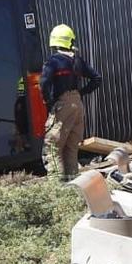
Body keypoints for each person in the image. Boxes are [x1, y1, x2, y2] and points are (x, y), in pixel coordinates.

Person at [40, 23, 102, 178]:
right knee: (71, 148)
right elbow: (97, 78)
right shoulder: (77, 60)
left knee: (53, 149)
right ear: (70, 41)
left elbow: (44, 83)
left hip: (62, 105)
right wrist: (80, 93)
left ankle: (57, 187)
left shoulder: (53, 61)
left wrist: (49, 101)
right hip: (77, 106)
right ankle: (73, 186)